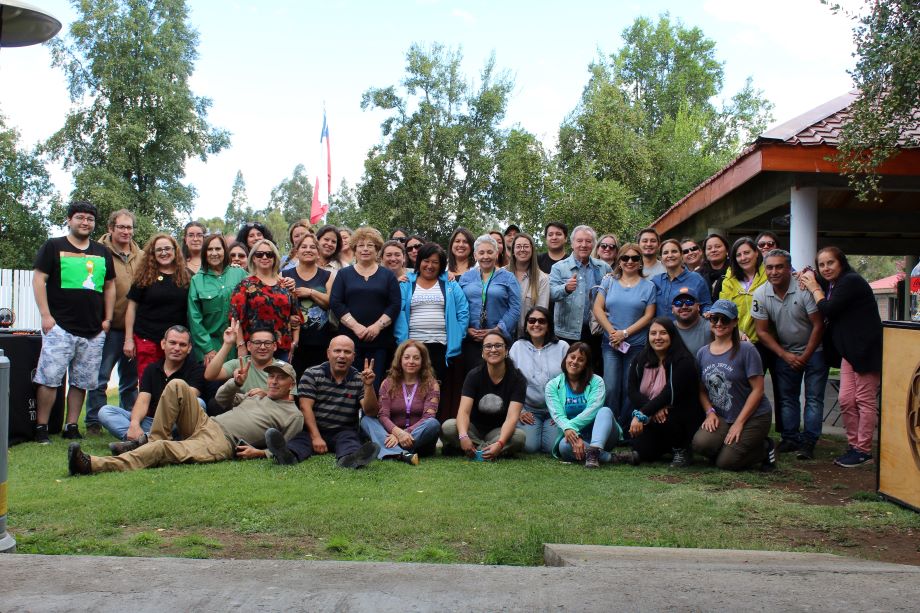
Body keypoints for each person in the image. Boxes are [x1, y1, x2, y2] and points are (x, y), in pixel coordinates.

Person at [67, 362, 303, 475]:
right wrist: (236, 383)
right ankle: (152, 439)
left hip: (221, 442)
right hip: (206, 422)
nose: (272, 381)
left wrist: (260, 453)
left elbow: (287, 448)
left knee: (162, 449)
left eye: (279, 378)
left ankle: (93, 464)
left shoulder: (293, 415)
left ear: (291, 383)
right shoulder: (258, 396)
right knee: (178, 385)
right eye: (270, 376)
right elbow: (221, 399)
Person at [32, 200, 116, 443]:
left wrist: (107, 319)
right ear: (69, 220)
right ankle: (42, 427)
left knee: (81, 382)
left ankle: (71, 426)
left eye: (90, 219)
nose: (85, 222)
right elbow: (39, 279)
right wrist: (46, 316)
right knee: (49, 379)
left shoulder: (102, 252)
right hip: (60, 327)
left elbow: (110, 285)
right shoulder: (53, 246)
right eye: (80, 217)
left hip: (93, 330)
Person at [799, 247, 882, 468]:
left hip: (865, 351)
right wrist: (807, 273)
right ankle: (854, 446)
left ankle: (863, 450)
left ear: (841, 263)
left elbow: (830, 308)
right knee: (845, 400)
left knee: (864, 401)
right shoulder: (835, 284)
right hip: (849, 352)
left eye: (830, 263)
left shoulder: (851, 281)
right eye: (821, 264)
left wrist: (814, 287)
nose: (825, 268)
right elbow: (811, 277)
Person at [264, 335, 381, 469]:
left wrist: (368, 386)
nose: (342, 355)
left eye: (347, 352)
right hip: (313, 428)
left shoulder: (360, 379)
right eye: (337, 351)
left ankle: (350, 460)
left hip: (344, 431)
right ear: (328, 353)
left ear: (353, 356)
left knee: (350, 441)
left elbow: (371, 412)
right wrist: (316, 437)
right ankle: (286, 456)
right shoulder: (312, 374)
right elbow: (305, 407)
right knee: (300, 441)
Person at [753, 249, 827, 460]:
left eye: (779, 266)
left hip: (815, 351)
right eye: (769, 267)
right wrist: (784, 355)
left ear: (789, 268)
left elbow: (818, 325)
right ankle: (790, 438)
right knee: (787, 399)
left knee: (813, 398)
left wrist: (805, 356)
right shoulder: (761, 294)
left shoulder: (804, 290)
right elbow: (762, 331)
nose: (774, 271)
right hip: (786, 351)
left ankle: (809, 442)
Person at [692, 300, 777, 471]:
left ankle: (765, 448)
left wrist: (739, 422)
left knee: (726, 463)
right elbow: (700, 390)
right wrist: (709, 412)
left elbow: (758, 390)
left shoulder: (747, 350)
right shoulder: (703, 353)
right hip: (723, 415)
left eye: (725, 319)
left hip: (753, 416)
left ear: (735, 322)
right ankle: (730, 447)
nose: (719, 324)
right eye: (714, 319)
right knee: (700, 445)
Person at [86, 209, 142, 435]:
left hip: (134, 328)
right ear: (111, 228)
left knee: (130, 380)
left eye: (129, 227)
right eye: (121, 227)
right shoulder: (98, 253)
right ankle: (93, 421)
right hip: (107, 326)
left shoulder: (142, 255)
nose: (126, 231)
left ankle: (127, 417)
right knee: (101, 377)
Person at [99, 325, 204, 442]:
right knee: (105, 411)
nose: (177, 348)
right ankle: (143, 440)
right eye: (172, 343)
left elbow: (188, 402)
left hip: (175, 422)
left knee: (199, 404)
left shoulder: (196, 370)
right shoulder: (151, 369)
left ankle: (142, 441)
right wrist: (134, 424)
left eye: (182, 345)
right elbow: (143, 401)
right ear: (163, 344)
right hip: (151, 422)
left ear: (189, 348)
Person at [593, 242, 656, 431]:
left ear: (640, 262)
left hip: (636, 345)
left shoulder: (649, 286)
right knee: (611, 386)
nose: (630, 261)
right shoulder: (609, 281)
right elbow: (598, 308)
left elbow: (649, 315)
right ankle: (610, 428)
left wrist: (625, 333)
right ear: (619, 261)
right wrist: (613, 333)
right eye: (625, 258)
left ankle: (627, 429)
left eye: (635, 258)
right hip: (610, 343)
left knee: (630, 389)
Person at [330, 227, 402, 387]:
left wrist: (377, 326)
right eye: (361, 245)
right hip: (349, 342)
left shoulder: (388, 275)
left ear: (377, 250)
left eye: (370, 245)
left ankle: (370, 412)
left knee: (374, 385)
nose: (365, 249)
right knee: (349, 384)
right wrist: (356, 327)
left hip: (380, 341)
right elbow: (336, 303)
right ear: (354, 250)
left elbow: (395, 304)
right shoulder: (344, 274)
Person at [627, 318, 703, 467]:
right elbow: (632, 391)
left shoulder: (683, 361)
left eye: (663, 333)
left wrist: (641, 414)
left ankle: (682, 449)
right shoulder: (641, 358)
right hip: (653, 415)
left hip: (679, 414)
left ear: (672, 336)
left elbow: (670, 393)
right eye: (653, 333)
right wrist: (651, 409)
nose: (657, 338)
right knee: (641, 450)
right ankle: (667, 447)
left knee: (667, 418)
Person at [718, 236, 777, 431]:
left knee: (770, 389)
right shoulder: (729, 279)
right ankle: (739, 425)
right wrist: (738, 331)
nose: (743, 257)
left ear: (756, 253)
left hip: (767, 340)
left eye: (747, 252)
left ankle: (782, 434)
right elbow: (725, 307)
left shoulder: (768, 273)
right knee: (743, 388)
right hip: (740, 341)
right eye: (739, 254)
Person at [441, 331, 527, 459]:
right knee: (448, 427)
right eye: (488, 346)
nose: (493, 349)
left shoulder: (517, 379)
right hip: (473, 429)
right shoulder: (474, 375)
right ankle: (487, 451)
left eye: (498, 345)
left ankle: (474, 450)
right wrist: (464, 436)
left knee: (519, 437)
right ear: (482, 352)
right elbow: (463, 412)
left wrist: (500, 442)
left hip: (498, 431)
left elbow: (512, 418)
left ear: (506, 351)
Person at [545, 343, 633, 467]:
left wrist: (569, 428)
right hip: (575, 437)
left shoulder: (597, 381)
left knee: (605, 411)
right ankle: (609, 457)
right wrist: (575, 435)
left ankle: (595, 448)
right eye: (572, 357)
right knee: (563, 447)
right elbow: (557, 414)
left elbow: (593, 409)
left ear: (586, 364)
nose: (575, 362)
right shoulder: (552, 385)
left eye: (581, 360)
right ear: (566, 358)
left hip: (605, 436)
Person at [394, 242, 469, 385]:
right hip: (413, 346)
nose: (430, 265)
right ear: (419, 261)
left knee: (436, 389)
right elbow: (399, 312)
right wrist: (402, 341)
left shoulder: (450, 283)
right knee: (413, 388)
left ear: (441, 265)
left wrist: (458, 335)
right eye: (426, 261)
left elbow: (463, 310)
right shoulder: (406, 282)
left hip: (441, 345)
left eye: (435, 262)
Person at [359, 340, 441, 464]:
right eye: (407, 357)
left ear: (423, 361)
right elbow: (383, 415)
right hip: (391, 434)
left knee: (433, 423)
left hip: (418, 440)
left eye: (416, 358)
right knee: (367, 420)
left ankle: (390, 450)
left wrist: (403, 434)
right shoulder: (387, 383)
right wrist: (397, 432)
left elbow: (428, 416)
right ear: (400, 360)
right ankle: (402, 454)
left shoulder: (432, 384)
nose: (411, 361)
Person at [124, 233, 190, 385]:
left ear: (175, 250)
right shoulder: (144, 276)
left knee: (174, 384)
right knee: (149, 383)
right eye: (159, 249)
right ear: (152, 253)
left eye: (167, 248)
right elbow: (131, 308)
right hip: (147, 339)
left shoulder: (186, 277)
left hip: (176, 343)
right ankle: (147, 409)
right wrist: (128, 339)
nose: (164, 252)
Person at [549, 225, 611, 370]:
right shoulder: (559, 267)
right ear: (572, 243)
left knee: (592, 372)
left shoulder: (603, 268)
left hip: (594, 331)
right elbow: (550, 294)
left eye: (588, 241)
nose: (583, 245)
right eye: (579, 241)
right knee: (567, 371)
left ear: (593, 244)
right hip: (567, 332)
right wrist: (565, 288)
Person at [509, 306, 568, 453]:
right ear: (526, 325)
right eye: (532, 320)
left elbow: (572, 381)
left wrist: (563, 412)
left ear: (548, 326)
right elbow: (510, 382)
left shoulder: (562, 347)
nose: (536, 324)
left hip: (556, 410)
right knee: (529, 447)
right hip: (529, 410)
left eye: (542, 321)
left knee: (551, 447)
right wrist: (520, 411)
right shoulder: (517, 347)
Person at [459, 234, 521, 372]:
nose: (485, 256)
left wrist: (498, 329)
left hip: (498, 340)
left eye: (489, 252)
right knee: (473, 379)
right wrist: (466, 329)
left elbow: (515, 308)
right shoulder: (465, 277)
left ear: (497, 254)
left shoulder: (508, 277)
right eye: (481, 253)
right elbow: (457, 306)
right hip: (471, 340)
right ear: (475, 255)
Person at [229, 238, 297, 361]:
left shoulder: (286, 284)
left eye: (269, 254)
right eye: (259, 254)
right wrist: (240, 346)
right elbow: (235, 318)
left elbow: (295, 317)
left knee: (280, 380)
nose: (264, 257)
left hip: (282, 348)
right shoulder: (244, 285)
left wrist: (294, 343)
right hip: (254, 348)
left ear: (275, 257)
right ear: (253, 258)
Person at [188, 233, 247, 365]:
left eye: (218, 249)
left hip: (239, 346)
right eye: (210, 249)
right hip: (212, 348)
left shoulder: (239, 273)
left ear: (225, 251)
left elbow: (260, 287)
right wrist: (208, 349)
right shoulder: (197, 281)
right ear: (204, 253)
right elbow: (194, 319)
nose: (214, 253)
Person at [282, 233, 334, 379]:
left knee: (318, 379)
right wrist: (289, 318)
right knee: (293, 379)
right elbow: (279, 305)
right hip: (293, 340)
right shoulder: (284, 274)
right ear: (296, 252)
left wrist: (310, 293)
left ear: (318, 253)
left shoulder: (328, 275)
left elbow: (330, 303)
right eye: (303, 246)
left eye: (312, 247)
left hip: (321, 340)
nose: (308, 250)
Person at [203, 322, 279, 414]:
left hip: (269, 413)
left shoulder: (283, 368)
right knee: (214, 404)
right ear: (249, 346)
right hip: (241, 413)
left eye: (267, 343)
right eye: (257, 343)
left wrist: (267, 395)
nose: (262, 347)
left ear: (274, 346)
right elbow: (209, 375)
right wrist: (227, 344)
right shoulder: (239, 363)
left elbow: (289, 400)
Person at [652, 238, 712, 318]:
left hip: (689, 328)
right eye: (665, 253)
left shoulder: (696, 279)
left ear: (681, 255)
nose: (670, 255)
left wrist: (707, 312)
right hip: (661, 329)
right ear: (661, 259)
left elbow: (706, 305)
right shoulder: (656, 281)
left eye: (674, 251)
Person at [507, 232, 549, 337]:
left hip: (528, 336)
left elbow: (541, 313)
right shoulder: (501, 274)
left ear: (532, 250)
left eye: (526, 246)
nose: (522, 249)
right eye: (518, 246)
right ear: (513, 251)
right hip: (502, 334)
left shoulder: (542, 279)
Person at [671, 287, 712, 356]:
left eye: (689, 302)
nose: (684, 307)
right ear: (672, 309)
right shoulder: (668, 329)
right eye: (678, 303)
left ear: (698, 306)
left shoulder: (710, 327)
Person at [698, 233, 730, 300]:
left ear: (726, 250)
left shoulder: (735, 270)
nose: (713, 250)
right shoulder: (698, 275)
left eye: (718, 246)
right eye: (709, 248)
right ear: (705, 252)